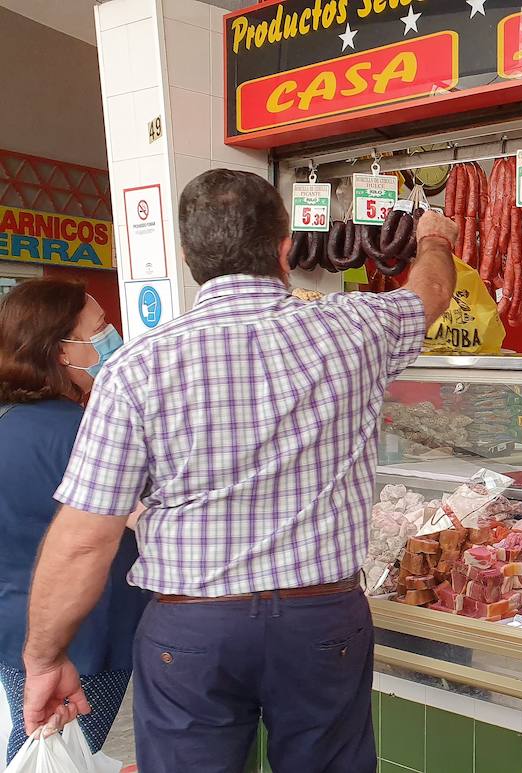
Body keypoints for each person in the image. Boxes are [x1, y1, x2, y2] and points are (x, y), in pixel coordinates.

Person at [22, 169, 458, 773]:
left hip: (191, 631)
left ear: (187, 257)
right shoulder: (357, 328)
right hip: (320, 621)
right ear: (285, 249)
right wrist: (433, 237)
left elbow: (82, 541)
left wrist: (44, 660)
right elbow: (431, 292)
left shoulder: (137, 368)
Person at [0, 281, 146, 762]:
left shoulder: (9, 422)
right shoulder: (88, 435)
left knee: (39, 750)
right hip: (83, 637)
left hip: (18, 628)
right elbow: (147, 519)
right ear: (62, 352)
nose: (113, 337)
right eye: (100, 329)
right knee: (53, 751)